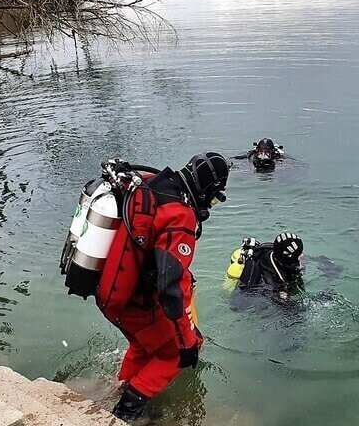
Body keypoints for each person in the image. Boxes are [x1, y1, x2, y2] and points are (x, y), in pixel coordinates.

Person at [96, 152, 230, 422]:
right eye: (215, 196)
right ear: (207, 189)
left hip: (111, 292)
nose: (211, 204)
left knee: (143, 345)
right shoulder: (180, 216)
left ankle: (116, 388)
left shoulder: (153, 182)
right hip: (134, 302)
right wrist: (187, 344)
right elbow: (170, 289)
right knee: (175, 354)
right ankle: (125, 412)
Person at [225, 232, 305, 301]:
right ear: (289, 260)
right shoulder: (271, 279)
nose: (303, 256)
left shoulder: (275, 252)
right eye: (299, 255)